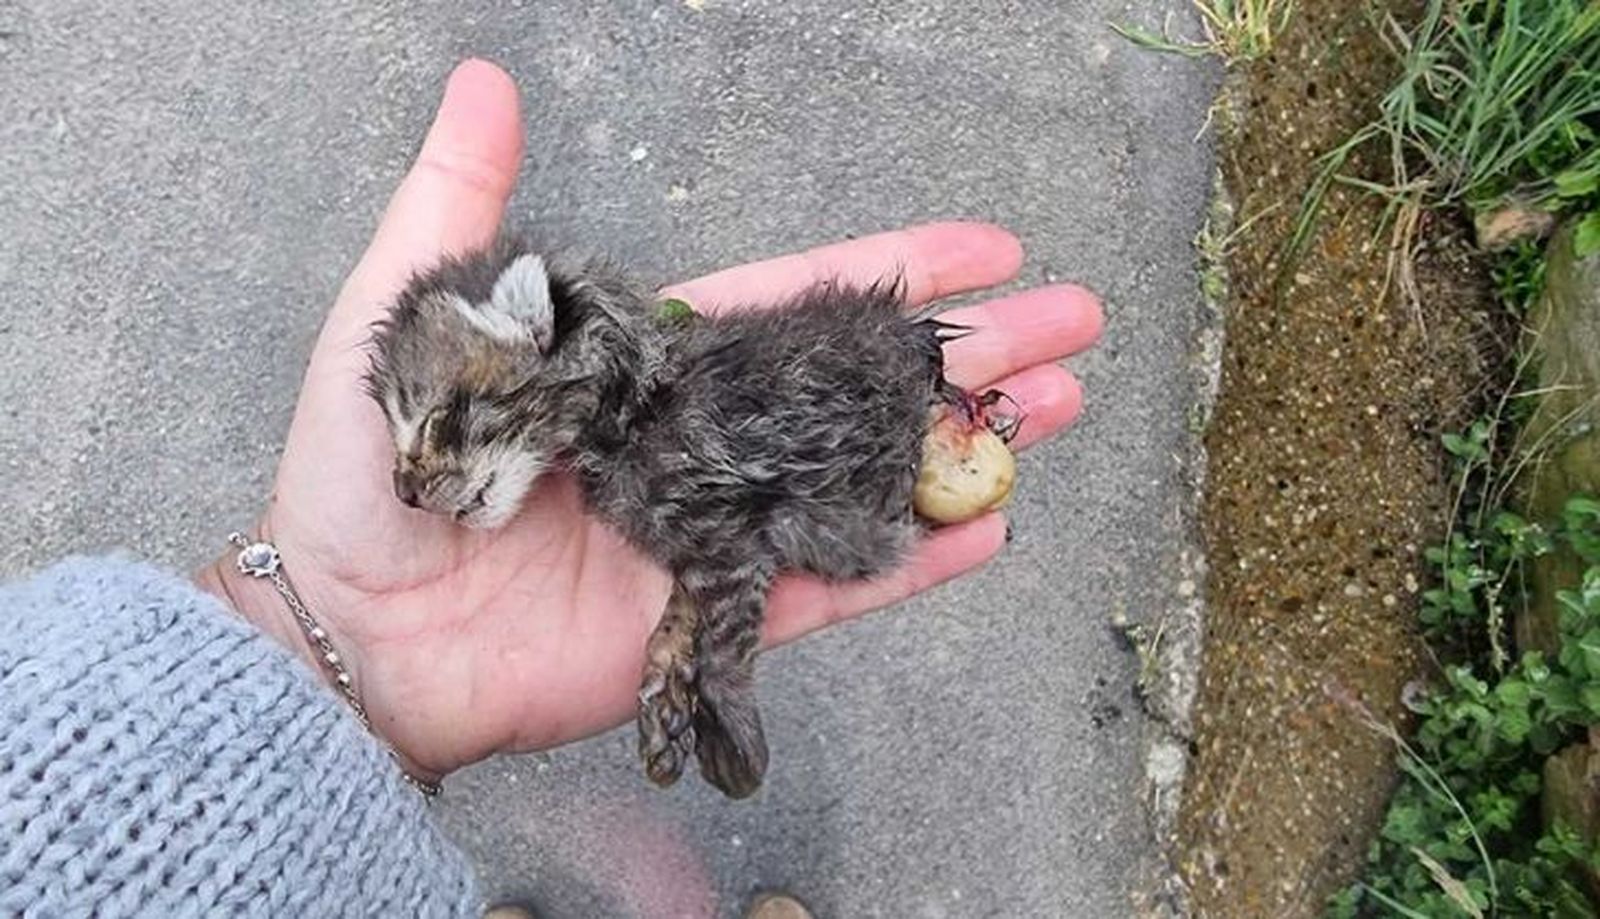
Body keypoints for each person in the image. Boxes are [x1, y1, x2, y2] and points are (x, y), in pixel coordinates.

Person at [0, 59, 1103, 917]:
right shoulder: (614, 447)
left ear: (539, 331)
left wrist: (711, 658)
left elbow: (722, 533)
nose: (405, 481)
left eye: (435, 427)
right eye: (398, 438)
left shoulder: (622, 418)